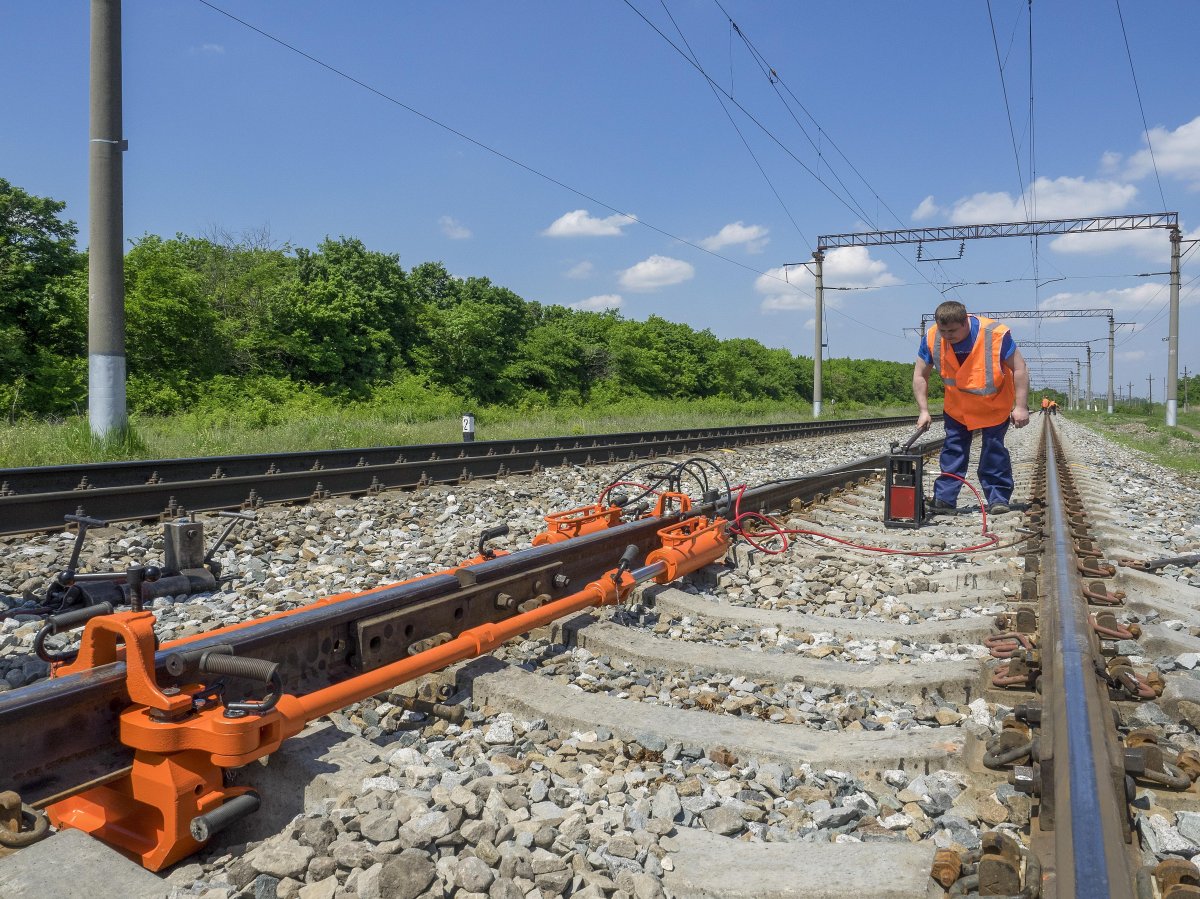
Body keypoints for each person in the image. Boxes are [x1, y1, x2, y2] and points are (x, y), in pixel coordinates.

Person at [913, 301, 1030, 516]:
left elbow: (1020, 368)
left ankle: (998, 498)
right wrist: (924, 410)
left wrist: (1021, 407)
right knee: (953, 451)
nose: (947, 335)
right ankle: (945, 500)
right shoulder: (932, 337)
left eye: (953, 330)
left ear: (966, 321)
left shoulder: (995, 334)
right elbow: (921, 374)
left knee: (993, 451)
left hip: (993, 407)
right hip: (957, 408)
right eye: (943, 330)